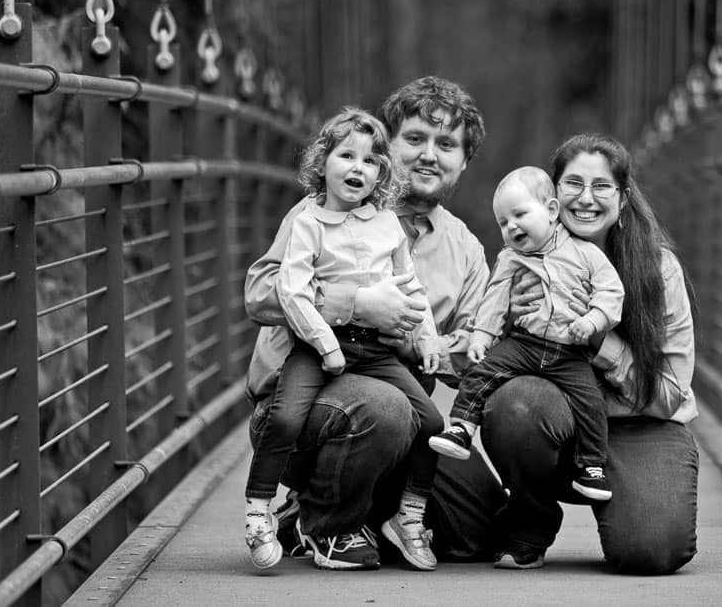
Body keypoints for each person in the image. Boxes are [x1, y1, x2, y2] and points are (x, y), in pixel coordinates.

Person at [243, 76, 496, 571]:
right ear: (386, 148)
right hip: (300, 405)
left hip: (394, 399)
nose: (429, 155)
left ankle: (358, 510)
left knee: (478, 528)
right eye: (415, 139)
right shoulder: (325, 208)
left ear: (464, 162)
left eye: (446, 145)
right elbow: (258, 294)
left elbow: (465, 360)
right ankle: (327, 523)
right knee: (385, 408)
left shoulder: (466, 250)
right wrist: (353, 303)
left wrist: (437, 343)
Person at [476, 133, 699, 571]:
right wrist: (507, 326)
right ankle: (530, 519)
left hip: (640, 423)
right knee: (516, 406)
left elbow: (670, 393)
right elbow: (488, 364)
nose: (586, 198)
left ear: (623, 197)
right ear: (552, 198)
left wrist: (599, 341)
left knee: (653, 549)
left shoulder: (658, 269)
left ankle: (628, 498)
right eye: (572, 184)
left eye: (601, 186)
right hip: (557, 422)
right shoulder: (519, 261)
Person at [429, 166, 624, 502]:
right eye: (503, 222)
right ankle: (462, 427)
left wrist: (592, 321)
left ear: (550, 211)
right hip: (525, 344)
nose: (512, 226)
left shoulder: (586, 254)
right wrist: (481, 337)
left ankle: (591, 466)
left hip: (569, 351)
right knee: (484, 371)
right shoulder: (510, 259)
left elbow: (611, 294)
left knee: (590, 401)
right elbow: (495, 299)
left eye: (520, 214)